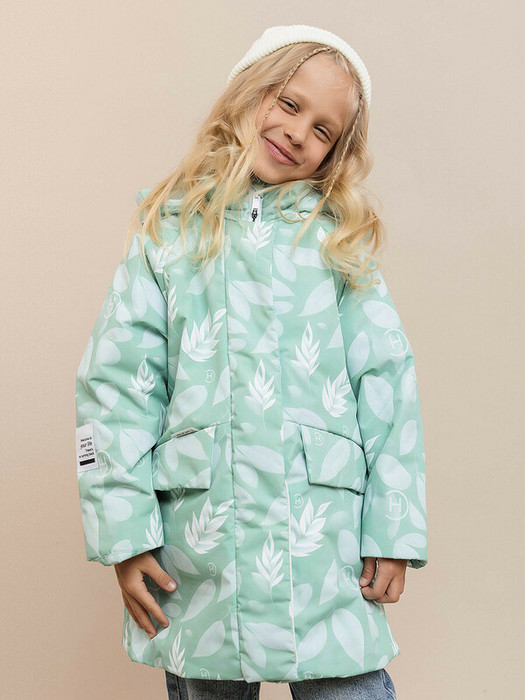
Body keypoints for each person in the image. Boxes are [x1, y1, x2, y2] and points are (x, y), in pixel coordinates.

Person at [75, 23, 428, 700]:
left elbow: (388, 385)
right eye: (288, 103)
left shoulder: (337, 243)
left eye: (322, 130)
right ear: (247, 93)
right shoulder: (169, 229)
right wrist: (124, 533)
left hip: (324, 547)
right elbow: (116, 387)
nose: (297, 133)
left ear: (334, 154)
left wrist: (393, 528)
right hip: (203, 546)